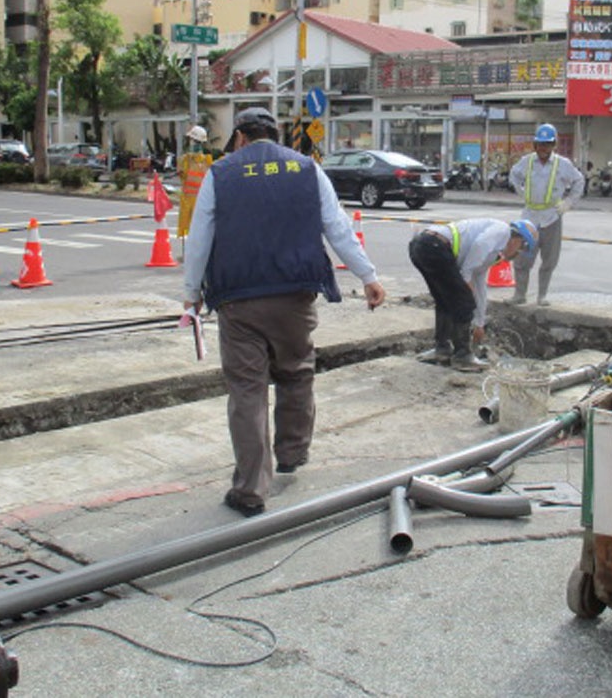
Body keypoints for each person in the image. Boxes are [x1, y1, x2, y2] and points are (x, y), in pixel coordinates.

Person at [181, 107, 386, 517]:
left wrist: (191, 292)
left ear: (239, 138)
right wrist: (368, 275)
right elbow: (337, 227)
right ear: (276, 137)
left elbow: (199, 236)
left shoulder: (220, 174)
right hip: (295, 295)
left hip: (237, 298)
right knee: (296, 372)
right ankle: (292, 453)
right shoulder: (307, 169)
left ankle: (251, 489)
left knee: (247, 391)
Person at [408, 218, 538, 372]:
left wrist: (479, 323)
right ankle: (462, 356)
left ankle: (442, 349)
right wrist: (467, 280)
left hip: (422, 246)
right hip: (434, 246)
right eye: (521, 248)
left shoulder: (491, 252)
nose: (518, 253)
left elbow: (480, 285)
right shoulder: (502, 230)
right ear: (518, 239)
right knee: (464, 302)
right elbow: (479, 246)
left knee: (445, 301)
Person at [507, 124, 585, 306]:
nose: (544, 148)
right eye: (540, 144)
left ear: (553, 145)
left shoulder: (562, 164)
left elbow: (578, 181)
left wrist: (568, 203)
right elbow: (514, 175)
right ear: (535, 145)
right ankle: (520, 295)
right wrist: (522, 192)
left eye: (548, 144)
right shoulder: (527, 162)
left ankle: (542, 296)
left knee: (549, 259)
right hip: (529, 218)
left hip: (551, 217)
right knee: (522, 259)